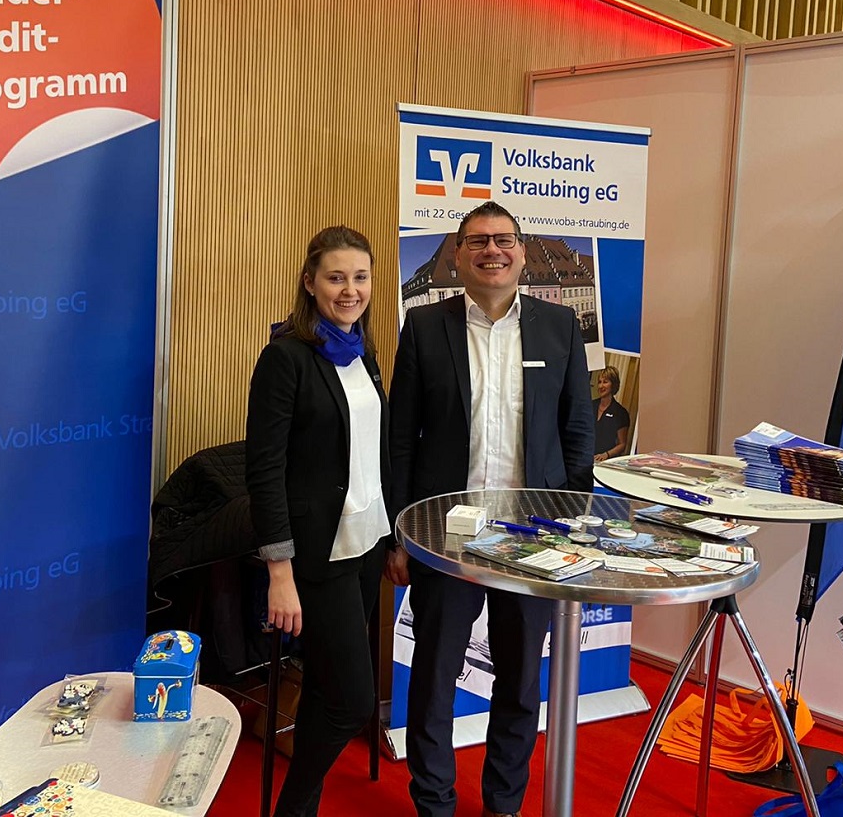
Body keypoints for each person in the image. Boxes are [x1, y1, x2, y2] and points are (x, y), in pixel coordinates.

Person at [387, 202, 594, 817]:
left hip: (534, 536)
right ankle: (434, 803)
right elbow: (401, 440)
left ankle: (503, 804)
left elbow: (577, 432)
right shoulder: (425, 327)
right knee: (433, 678)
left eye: (503, 240)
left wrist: (572, 524)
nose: (491, 251)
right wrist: (400, 534)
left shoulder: (560, 327)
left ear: (523, 252)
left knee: (521, 680)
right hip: (444, 537)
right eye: (477, 241)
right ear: (458, 253)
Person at [245, 225, 395, 817]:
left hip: (367, 543)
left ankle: (298, 811)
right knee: (352, 701)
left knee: (327, 687)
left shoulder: (365, 353)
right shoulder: (285, 358)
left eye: (360, 277)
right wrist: (279, 572)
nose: (350, 290)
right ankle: (292, 807)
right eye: (336, 277)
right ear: (310, 283)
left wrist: (394, 537)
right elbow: (265, 471)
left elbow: (374, 453)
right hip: (318, 553)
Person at [593, 365, 631, 462]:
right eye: (599, 382)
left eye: (605, 382)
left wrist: (606, 454)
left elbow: (622, 444)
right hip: (585, 457)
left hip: (605, 461)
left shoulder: (620, 413)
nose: (601, 386)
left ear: (613, 384)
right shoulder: (590, 406)